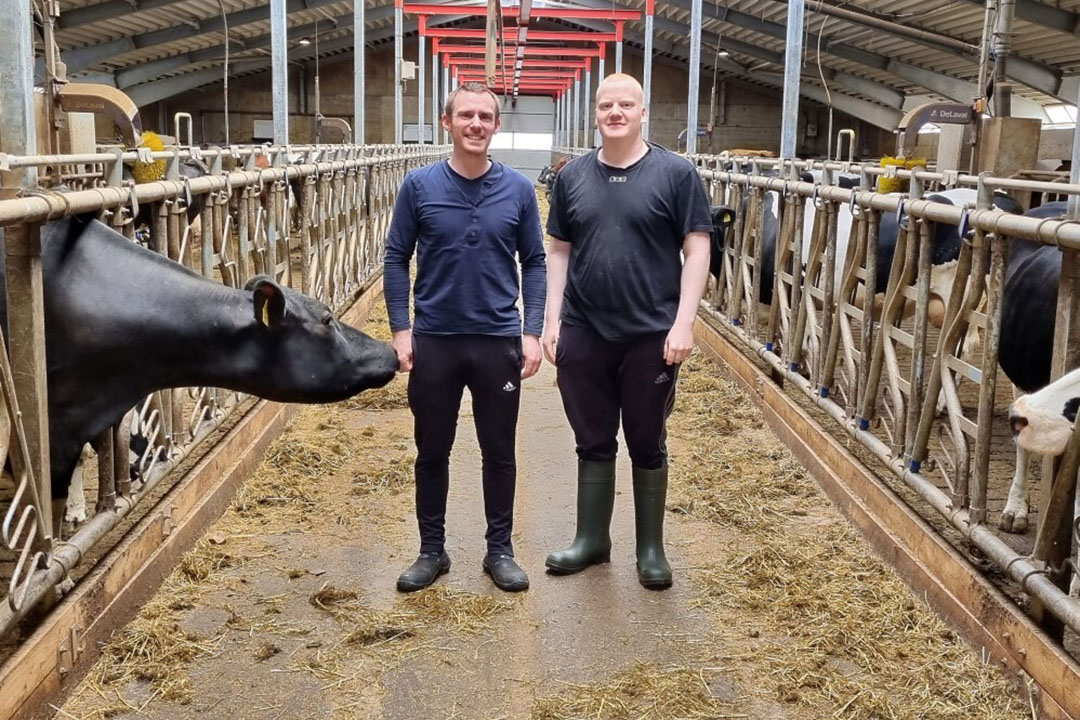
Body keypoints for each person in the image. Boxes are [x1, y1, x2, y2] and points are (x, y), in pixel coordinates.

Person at [542, 73, 712, 590]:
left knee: (646, 439)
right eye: (606, 105)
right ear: (596, 114)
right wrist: (551, 319)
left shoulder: (677, 173)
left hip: (650, 335)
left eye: (626, 104)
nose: (615, 112)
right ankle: (592, 539)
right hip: (586, 330)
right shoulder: (571, 178)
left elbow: (697, 248)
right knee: (592, 438)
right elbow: (558, 250)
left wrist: (685, 322)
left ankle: (650, 549)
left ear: (643, 113)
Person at [385, 82, 546, 593]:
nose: (476, 124)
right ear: (446, 121)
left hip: (497, 339)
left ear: (497, 125)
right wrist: (400, 329)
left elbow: (536, 262)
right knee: (432, 450)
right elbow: (395, 257)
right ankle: (432, 550)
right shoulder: (418, 185)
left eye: (486, 116)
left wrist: (532, 331)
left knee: (499, 452)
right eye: (466, 115)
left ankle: (499, 549)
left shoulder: (519, 189)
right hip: (435, 339)